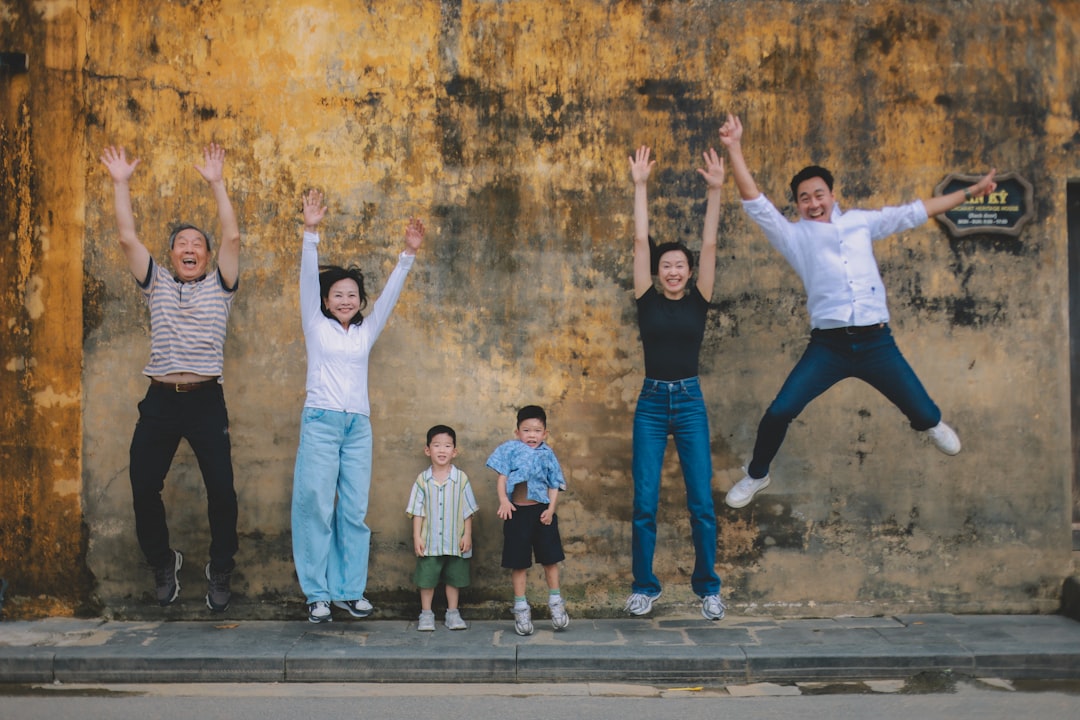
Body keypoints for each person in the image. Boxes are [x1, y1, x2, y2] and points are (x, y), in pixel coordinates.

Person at [717, 114, 997, 509]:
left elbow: (916, 211)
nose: (813, 203)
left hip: (876, 342)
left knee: (924, 414)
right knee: (780, 410)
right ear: (797, 205)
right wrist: (734, 147)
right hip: (828, 347)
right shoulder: (793, 236)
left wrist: (971, 192)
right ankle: (757, 474)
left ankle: (931, 423)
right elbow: (755, 202)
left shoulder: (861, 223)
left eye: (819, 194)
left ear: (833, 195)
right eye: (804, 198)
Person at [100, 143, 242, 612]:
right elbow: (127, 238)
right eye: (182, 243)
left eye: (197, 244)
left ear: (207, 256)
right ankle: (163, 561)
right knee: (143, 485)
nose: (190, 248)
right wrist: (120, 182)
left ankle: (221, 566)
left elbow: (232, 236)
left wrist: (216, 183)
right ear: (171, 254)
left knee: (221, 491)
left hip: (205, 401)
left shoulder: (220, 286)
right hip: (160, 400)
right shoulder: (156, 282)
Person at [292, 189, 425, 623]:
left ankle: (349, 591)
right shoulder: (316, 324)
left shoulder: (366, 331)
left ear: (359, 300)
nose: (346, 300)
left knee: (352, 510)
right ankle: (317, 593)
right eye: (338, 295)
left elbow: (388, 298)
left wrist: (407, 255)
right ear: (325, 301)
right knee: (315, 506)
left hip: (358, 427)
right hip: (321, 422)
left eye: (352, 295)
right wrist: (310, 232)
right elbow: (307, 280)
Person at [623, 145, 727, 622]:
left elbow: (710, 245)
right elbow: (640, 242)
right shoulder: (645, 298)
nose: (672, 270)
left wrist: (716, 191)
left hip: (689, 401)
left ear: (689, 272)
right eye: (665, 264)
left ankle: (708, 589)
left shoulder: (700, 298)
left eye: (679, 265)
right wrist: (640, 185)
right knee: (644, 502)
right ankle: (644, 587)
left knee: (701, 501)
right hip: (650, 403)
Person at [487, 405, 569, 635]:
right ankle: (521, 607)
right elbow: (502, 478)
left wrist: (551, 509)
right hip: (517, 513)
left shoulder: (548, 454)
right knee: (519, 562)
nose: (532, 435)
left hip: (542, 513)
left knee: (550, 559)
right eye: (526, 430)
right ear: (517, 432)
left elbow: (554, 484)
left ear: (545, 433)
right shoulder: (510, 450)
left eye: (537, 430)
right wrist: (504, 500)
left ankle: (556, 603)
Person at [405, 424, 479, 631]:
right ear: (427, 450)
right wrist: (417, 537)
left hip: (455, 540)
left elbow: (467, 510)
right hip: (430, 541)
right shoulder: (422, 480)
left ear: (454, 451)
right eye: (437, 445)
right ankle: (426, 614)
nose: (442, 450)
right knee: (427, 579)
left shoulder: (461, 479)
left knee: (454, 578)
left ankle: (452, 613)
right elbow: (417, 511)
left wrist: (467, 535)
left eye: (447, 446)